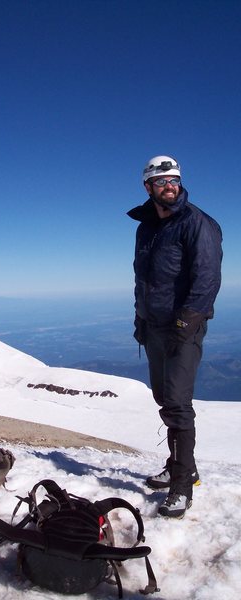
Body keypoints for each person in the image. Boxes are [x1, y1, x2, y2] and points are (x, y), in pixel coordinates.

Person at [127, 155, 222, 518]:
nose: (170, 185)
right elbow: (145, 281)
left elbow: (206, 281)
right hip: (153, 327)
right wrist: (141, 319)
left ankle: (183, 486)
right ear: (148, 186)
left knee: (179, 405)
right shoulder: (147, 228)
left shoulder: (197, 224)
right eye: (162, 181)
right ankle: (181, 465)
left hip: (184, 328)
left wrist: (185, 324)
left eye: (175, 180)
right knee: (165, 397)